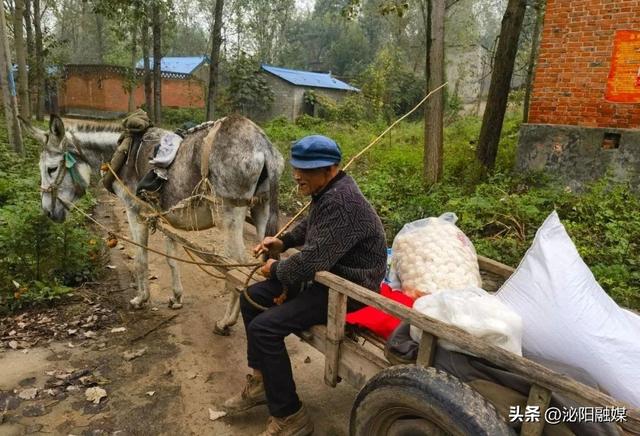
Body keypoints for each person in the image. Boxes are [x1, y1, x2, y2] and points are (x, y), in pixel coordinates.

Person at [223, 135, 387, 436]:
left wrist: (275, 269)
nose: (298, 175)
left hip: (348, 288)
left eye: (308, 170)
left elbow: (312, 262)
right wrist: (283, 241)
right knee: (250, 298)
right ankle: (261, 382)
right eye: (297, 167)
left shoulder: (342, 202)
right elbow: (312, 228)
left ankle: (290, 416)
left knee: (265, 328)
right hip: (327, 278)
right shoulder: (328, 192)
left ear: (332, 169)